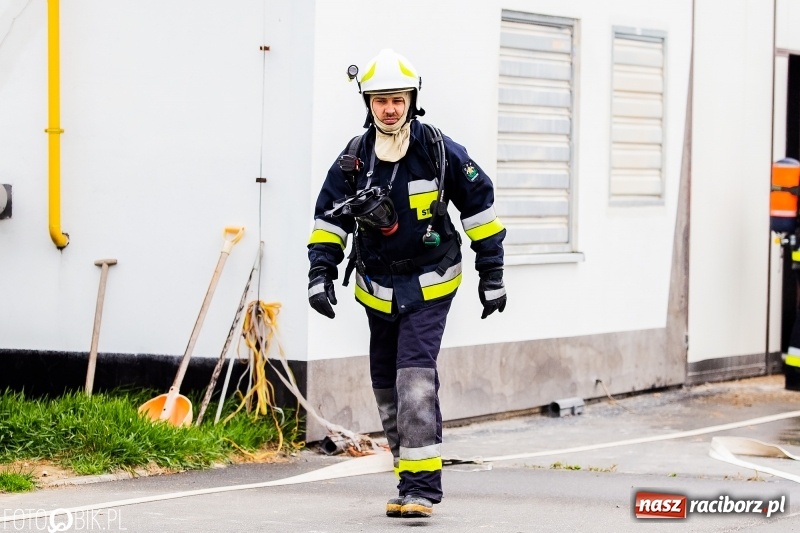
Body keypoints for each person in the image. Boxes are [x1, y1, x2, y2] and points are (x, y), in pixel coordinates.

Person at [306, 48, 507, 519]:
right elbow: (327, 221)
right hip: (377, 289)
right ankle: (407, 474)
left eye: (397, 99)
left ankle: (421, 488)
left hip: (431, 283)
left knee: (415, 379)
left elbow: (480, 209)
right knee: (386, 384)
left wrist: (492, 273)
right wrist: (321, 273)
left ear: (412, 100)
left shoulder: (438, 150)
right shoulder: (354, 160)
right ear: (369, 105)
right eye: (380, 101)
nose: (389, 108)